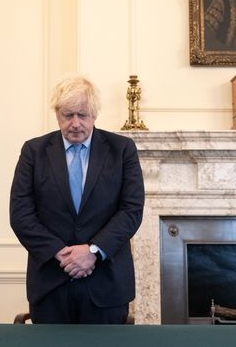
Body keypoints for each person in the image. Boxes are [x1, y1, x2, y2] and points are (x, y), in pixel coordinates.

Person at [9, 75, 145, 324]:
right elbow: (21, 215)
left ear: (94, 115)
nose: (75, 123)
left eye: (82, 115)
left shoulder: (122, 149)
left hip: (107, 286)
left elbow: (131, 210)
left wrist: (93, 251)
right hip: (51, 285)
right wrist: (61, 253)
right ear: (57, 114)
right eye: (67, 115)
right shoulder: (34, 151)